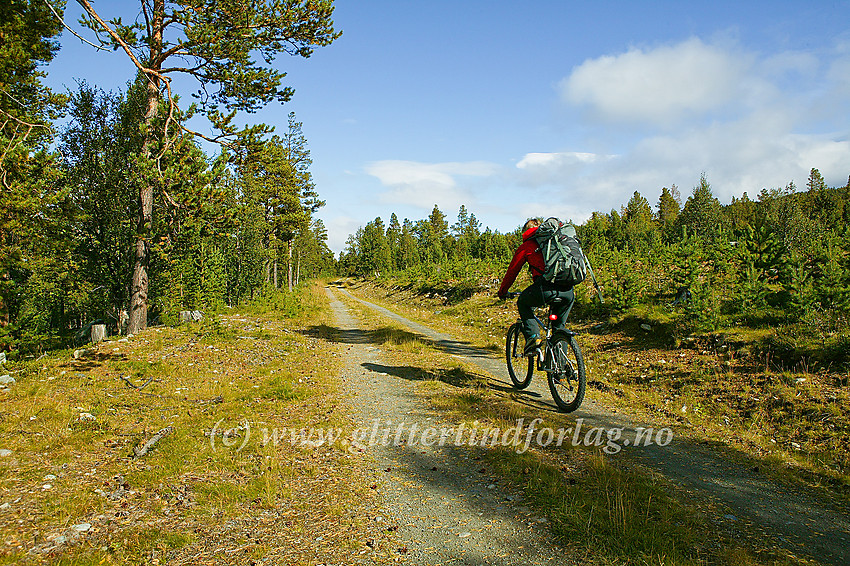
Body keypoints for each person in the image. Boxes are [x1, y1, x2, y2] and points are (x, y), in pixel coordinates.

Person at [497, 218, 575, 355]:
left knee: (523, 302)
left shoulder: (527, 246)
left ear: (526, 232)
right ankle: (561, 371)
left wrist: (503, 291)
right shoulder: (557, 239)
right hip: (568, 290)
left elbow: (512, 271)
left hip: (546, 289)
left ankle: (533, 337)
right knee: (559, 329)